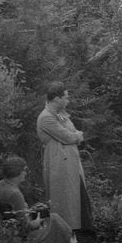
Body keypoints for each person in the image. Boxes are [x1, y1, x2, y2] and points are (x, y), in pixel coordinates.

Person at [0, 156, 96, 243]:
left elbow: (13, 213)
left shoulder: (0, 185)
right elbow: (25, 227)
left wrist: (31, 211)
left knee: (53, 218)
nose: (26, 173)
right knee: (55, 219)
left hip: (8, 231)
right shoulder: (15, 194)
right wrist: (38, 221)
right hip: (22, 237)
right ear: (19, 172)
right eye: (25, 170)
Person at [36, 81, 94, 235]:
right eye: (66, 97)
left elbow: (71, 132)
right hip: (58, 162)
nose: (68, 100)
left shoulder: (60, 114)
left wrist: (75, 135)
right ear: (56, 99)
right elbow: (67, 136)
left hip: (69, 161)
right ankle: (66, 234)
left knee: (75, 195)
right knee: (63, 198)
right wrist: (77, 136)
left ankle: (78, 233)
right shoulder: (46, 117)